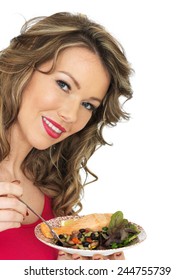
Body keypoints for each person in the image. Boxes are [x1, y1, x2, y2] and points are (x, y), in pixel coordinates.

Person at [0, 12, 133, 260]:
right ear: (22, 69)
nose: (71, 115)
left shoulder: (53, 191)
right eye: (63, 85)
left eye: (88, 105)